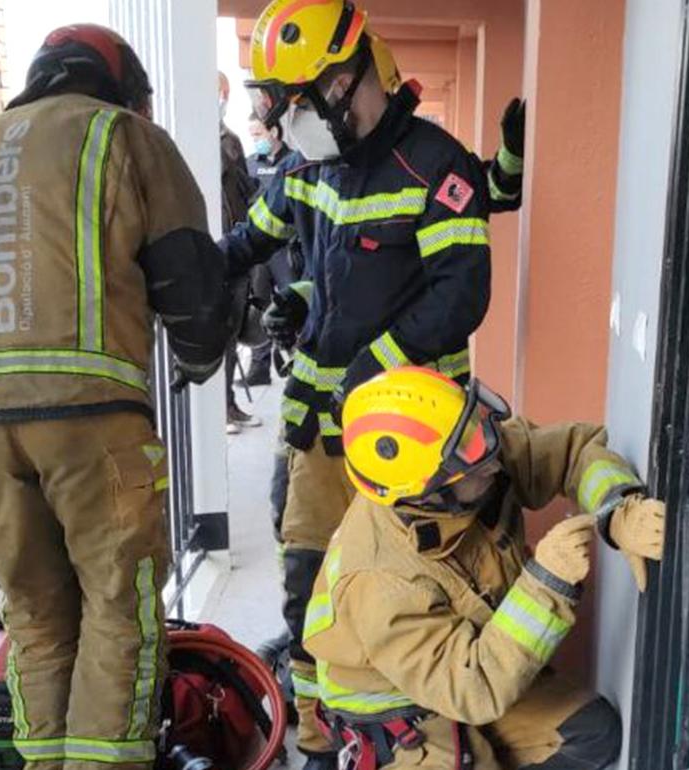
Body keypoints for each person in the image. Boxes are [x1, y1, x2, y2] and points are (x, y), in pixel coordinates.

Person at [0, 24, 230, 770]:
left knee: (36, 616)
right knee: (117, 608)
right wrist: (201, 357)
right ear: (125, 86)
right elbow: (189, 283)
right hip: (90, 418)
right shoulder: (126, 134)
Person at [222, 1, 495, 765]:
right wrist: (185, 267)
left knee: (409, 598)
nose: (285, 124)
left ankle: (421, 744)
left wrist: (377, 363)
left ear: (346, 83)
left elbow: (460, 291)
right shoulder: (313, 168)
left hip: (416, 449)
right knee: (311, 590)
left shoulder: (439, 166)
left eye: (296, 102)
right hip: (322, 434)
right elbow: (258, 241)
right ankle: (317, 743)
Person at [302, 367, 667, 770]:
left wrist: (616, 508)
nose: (493, 462)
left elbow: (573, 450)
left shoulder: (466, 449)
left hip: (466, 661)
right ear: (430, 496)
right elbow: (472, 689)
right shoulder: (380, 581)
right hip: (403, 712)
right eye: (474, 465)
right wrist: (547, 584)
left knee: (592, 733)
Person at [219, 73, 264, 434]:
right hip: (215, 250)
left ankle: (228, 405)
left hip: (238, 252)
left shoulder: (229, 140)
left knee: (233, 332)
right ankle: (217, 409)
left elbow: (246, 189)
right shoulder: (191, 135)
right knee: (215, 336)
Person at [241, 113, 300, 387]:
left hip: (287, 248)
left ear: (274, 132)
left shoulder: (294, 163)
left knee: (293, 301)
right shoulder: (250, 164)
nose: (255, 140)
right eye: (252, 135)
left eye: (258, 134)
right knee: (260, 304)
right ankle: (259, 368)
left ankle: (297, 360)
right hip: (261, 248)